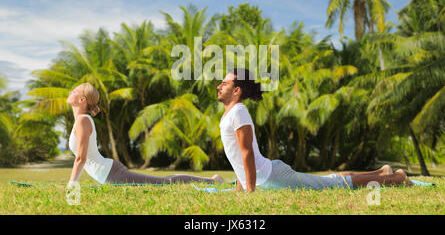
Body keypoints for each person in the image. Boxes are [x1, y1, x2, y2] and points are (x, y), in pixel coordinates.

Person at [217, 68, 413, 193]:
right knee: (329, 181)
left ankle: (396, 178)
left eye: (224, 84)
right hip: (267, 176)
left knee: (332, 185)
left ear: (237, 91)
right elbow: (238, 158)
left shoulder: (239, 111)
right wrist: (240, 188)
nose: (219, 86)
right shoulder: (230, 114)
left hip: (271, 178)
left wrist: (249, 191)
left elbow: (247, 153)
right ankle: (381, 172)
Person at [66, 83, 223, 187]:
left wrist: (72, 183)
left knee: (164, 182)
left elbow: (81, 158)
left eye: (74, 91)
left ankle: (211, 180)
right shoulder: (81, 120)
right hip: (107, 172)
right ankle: (211, 180)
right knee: (162, 182)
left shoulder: (83, 121)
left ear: (81, 99)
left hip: (111, 174)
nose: (70, 91)